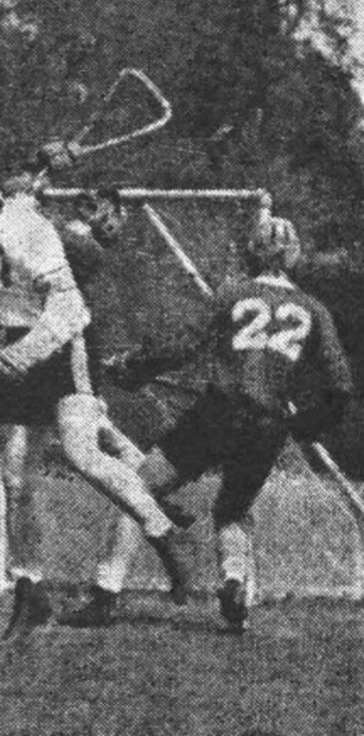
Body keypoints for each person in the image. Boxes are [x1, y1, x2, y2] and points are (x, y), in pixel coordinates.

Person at [0, 147, 190, 639]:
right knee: (16, 478)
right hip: (11, 344)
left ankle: (161, 530)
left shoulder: (32, 227)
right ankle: (31, 592)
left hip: (61, 345)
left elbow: (69, 311)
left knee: (81, 451)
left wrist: (25, 354)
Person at [60, 216, 354, 632]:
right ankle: (233, 582)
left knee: (138, 488)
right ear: (293, 256)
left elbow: (184, 346)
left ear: (252, 251)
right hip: (268, 425)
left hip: (216, 414)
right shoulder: (315, 310)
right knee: (233, 510)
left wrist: (134, 366)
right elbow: (340, 388)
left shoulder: (234, 294)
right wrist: (303, 424)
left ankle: (105, 594)